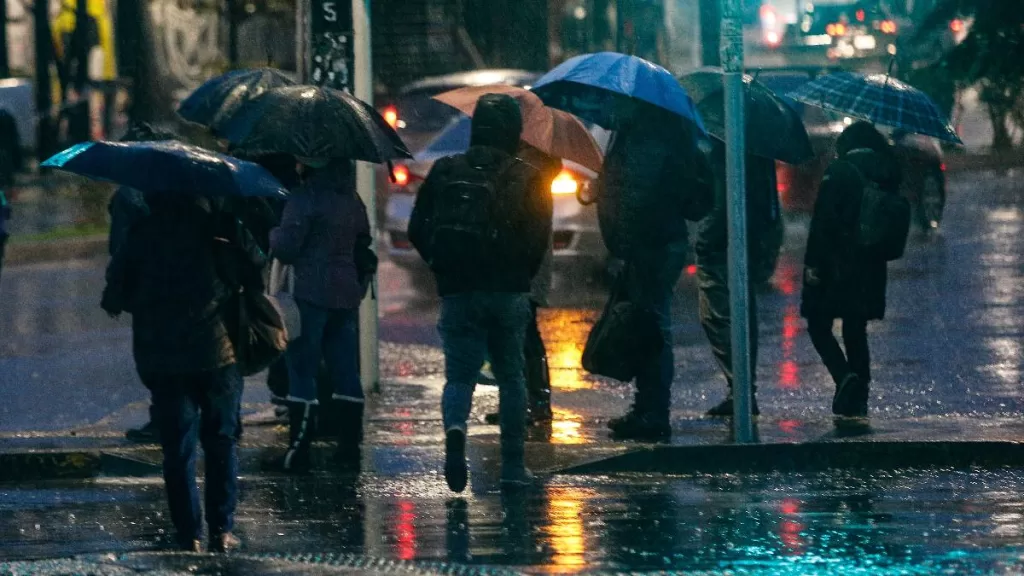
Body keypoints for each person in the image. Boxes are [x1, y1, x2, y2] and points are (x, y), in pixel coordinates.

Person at [101, 193, 264, 553]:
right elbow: (256, 268)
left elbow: (115, 296)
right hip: (217, 353)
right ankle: (221, 529)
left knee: (177, 448)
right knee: (221, 441)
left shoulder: (142, 234)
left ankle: (188, 533)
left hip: (164, 358)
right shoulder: (219, 228)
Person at [408, 93, 552, 492]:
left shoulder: (446, 169)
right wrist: (518, 274)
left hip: (458, 288)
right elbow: (538, 239)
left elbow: (418, 228)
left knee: (459, 376)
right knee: (511, 375)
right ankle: (512, 464)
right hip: (507, 290)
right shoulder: (527, 175)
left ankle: (456, 431)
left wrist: (443, 266)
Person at [600, 104, 713, 441]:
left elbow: (633, 197)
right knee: (647, 325)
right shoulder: (669, 135)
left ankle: (653, 413)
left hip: (648, 245)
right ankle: (647, 407)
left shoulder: (645, 141)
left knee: (651, 328)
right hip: (661, 241)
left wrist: (622, 247)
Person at [270, 158, 371, 473]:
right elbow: (362, 242)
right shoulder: (351, 198)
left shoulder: (304, 197)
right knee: (345, 371)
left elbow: (286, 248)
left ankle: (299, 450)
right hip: (345, 293)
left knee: (302, 369)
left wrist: (274, 232)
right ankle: (349, 448)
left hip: (309, 294)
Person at [802, 121, 904, 417]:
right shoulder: (886, 172)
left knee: (818, 324)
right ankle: (860, 395)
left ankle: (845, 378)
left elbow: (823, 223)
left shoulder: (840, 171)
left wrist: (813, 265)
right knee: (855, 329)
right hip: (871, 266)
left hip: (837, 265)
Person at [696, 140, 782, 417]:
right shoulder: (758, 149)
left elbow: (721, 204)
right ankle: (742, 390)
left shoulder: (726, 149)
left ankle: (740, 390)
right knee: (742, 315)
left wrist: (705, 241)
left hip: (724, 244)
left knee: (719, 316)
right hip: (751, 239)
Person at [108, 122, 178, 443]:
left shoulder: (127, 195)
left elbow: (122, 249)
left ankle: (165, 419)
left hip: (146, 289)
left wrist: (116, 288)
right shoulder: (180, 188)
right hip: (180, 286)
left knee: (153, 357)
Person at [484, 143, 559, 426]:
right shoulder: (530, 167)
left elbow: (525, 223)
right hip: (524, 262)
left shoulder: (531, 171)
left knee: (524, 333)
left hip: (526, 264)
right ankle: (527, 400)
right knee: (519, 332)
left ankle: (536, 401)